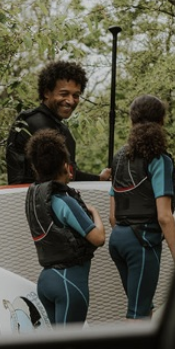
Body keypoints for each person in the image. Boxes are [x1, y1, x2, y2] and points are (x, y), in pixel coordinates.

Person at [108, 94, 175, 319]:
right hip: (141, 242)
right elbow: (164, 216)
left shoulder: (120, 157)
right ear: (161, 122)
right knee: (138, 313)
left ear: (131, 122)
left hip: (118, 240)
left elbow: (112, 215)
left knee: (143, 306)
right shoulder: (159, 159)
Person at [24, 129, 105, 325]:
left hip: (46, 281)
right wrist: (95, 213)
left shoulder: (37, 199)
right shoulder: (65, 201)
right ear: (65, 165)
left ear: (37, 168)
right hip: (69, 284)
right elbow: (98, 238)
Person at [6, 60, 112, 184]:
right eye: (64, 94)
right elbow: (54, 178)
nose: (70, 101)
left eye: (76, 95)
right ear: (46, 93)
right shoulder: (34, 124)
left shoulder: (61, 129)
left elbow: (68, 174)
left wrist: (99, 179)